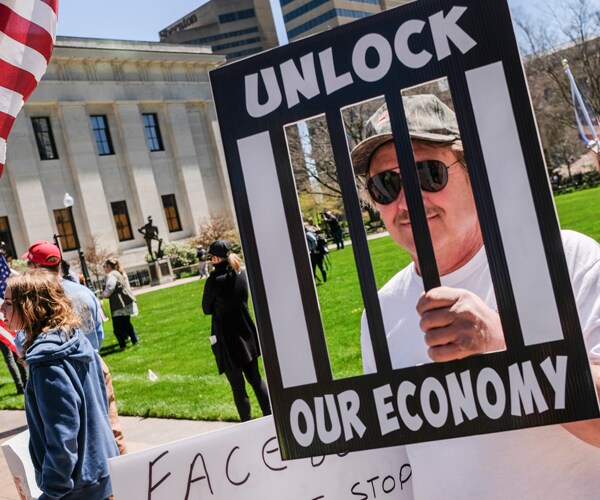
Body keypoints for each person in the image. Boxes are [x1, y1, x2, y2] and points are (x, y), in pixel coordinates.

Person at [353, 94, 600, 498]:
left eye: (428, 174)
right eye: (387, 184)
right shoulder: (380, 314)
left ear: (473, 173)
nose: (407, 201)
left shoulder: (566, 259)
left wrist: (504, 343)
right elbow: (393, 461)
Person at [0, 269, 119, 499]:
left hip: (76, 488)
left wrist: (52, 491)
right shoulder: (74, 339)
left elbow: (63, 437)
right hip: (101, 474)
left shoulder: (48, 363)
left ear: (30, 306)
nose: (2, 309)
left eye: (7, 303)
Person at [22, 240, 128, 454]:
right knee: (111, 428)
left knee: (77, 437)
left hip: (61, 371)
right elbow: (98, 334)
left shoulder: (39, 300)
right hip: (95, 363)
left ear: (35, 267)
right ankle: (125, 476)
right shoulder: (84, 292)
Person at [202, 239, 271, 421]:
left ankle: (247, 423)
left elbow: (206, 308)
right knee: (256, 380)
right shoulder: (241, 274)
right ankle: (270, 416)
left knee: (238, 386)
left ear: (215, 258)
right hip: (246, 331)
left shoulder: (214, 281)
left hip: (226, 337)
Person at [102, 258, 139, 350]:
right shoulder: (117, 273)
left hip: (118, 303)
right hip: (125, 301)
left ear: (109, 266)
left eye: (104, 266)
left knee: (117, 327)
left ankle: (123, 345)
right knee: (126, 323)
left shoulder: (111, 275)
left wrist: (103, 295)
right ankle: (135, 340)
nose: (104, 268)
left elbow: (110, 288)